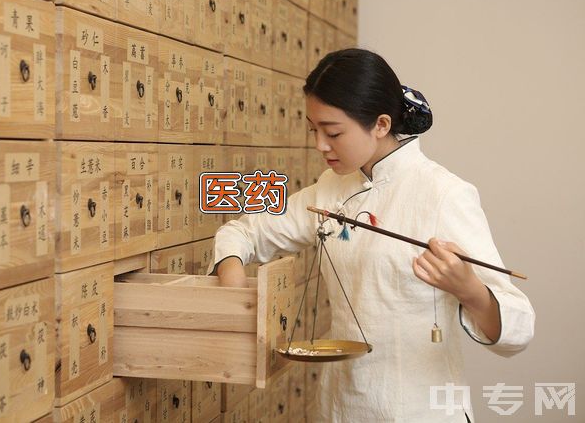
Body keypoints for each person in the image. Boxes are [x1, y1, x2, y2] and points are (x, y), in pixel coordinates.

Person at [208, 48, 535, 422]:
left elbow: (519, 328)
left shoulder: (444, 194)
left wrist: (469, 289)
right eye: (314, 130)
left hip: (420, 410)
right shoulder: (330, 189)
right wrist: (233, 284)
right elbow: (244, 232)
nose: (320, 145)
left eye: (333, 133)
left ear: (380, 124)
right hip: (342, 406)